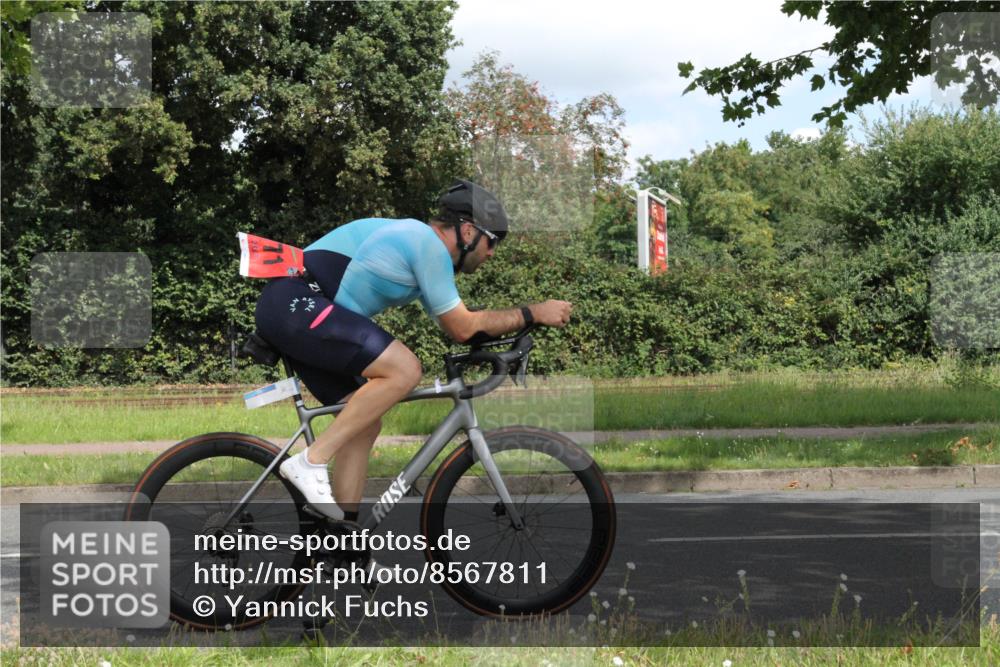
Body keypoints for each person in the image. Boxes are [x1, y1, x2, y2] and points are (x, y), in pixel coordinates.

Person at [254, 180, 572, 522]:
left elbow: (461, 330)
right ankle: (310, 461)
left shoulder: (419, 249)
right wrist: (533, 313)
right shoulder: (426, 244)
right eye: (492, 242)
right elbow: (464, 327)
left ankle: (342, 538)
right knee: (405, 369)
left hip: (296, 309)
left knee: (363, 425)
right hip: (296, 304)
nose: (492, 253)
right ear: (468, 231)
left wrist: (511, 334)